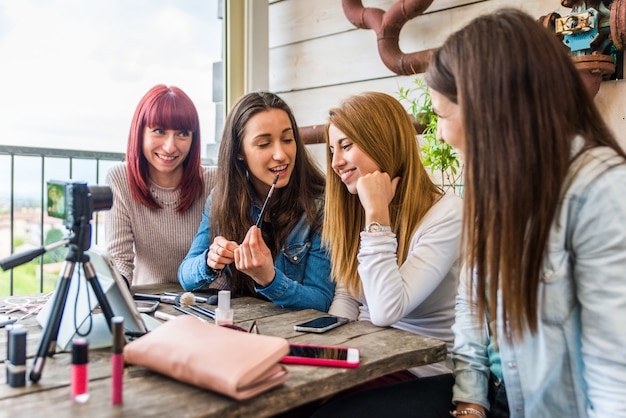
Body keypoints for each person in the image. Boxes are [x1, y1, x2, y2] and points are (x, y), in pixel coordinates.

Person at [316, 8, 626, 418]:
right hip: (497, 394)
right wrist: (468, 403)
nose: (440, 133)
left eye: (443, 115)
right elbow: (471, 312)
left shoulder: (600, 190)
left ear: (493, 106)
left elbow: (613, 376)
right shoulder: (497, 191)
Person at [324, 91, 463, 379]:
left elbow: (386, 310)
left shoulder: (447, 214)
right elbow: (347, 297)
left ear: (381, 142)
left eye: (346, 146)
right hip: (366, 359)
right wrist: (327, 350)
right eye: (331, 150)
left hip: (422, 370)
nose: (336, 162)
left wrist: (376, 216)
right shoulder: (355, 205)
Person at [178, 91, 334, 311]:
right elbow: (186, 275)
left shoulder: (320, 205)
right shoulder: (222, 198)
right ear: (239, 152)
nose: (281, 154)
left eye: (288, 139)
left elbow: (320, 300)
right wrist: (210, 261)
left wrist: (269, 279)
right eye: (263, 144)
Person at [105, 84, 216, 286]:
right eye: (159, 131)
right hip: (148, 301)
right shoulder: (120, 179)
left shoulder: (213, 182)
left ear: (193, 139)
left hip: (203, 302)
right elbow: (119, 259)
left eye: (182, 133)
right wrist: (113, 291)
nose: (170, 146)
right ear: (140, 132)